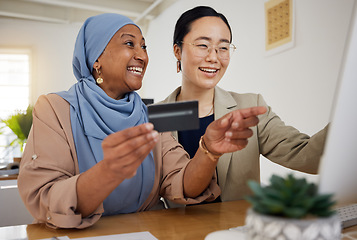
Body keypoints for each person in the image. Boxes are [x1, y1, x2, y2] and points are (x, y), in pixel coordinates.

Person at [17, 13, 267, 229]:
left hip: (146, 232)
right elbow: (45, 197)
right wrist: (107, 172)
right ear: (96, 59)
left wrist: (209, 151)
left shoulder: (151, 114)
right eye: (130, 44)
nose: (142, 56)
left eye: (144, 47)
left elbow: (182, 183)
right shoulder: (54, 108)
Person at [161, 6, 328, 204]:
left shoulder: (249, 106)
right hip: (179, 233)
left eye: (223, 47)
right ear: (177, 51)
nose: (214, 57)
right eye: (203, 45)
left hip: (239, 231)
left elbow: (307, 155)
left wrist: (348, 118)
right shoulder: (158, 116)